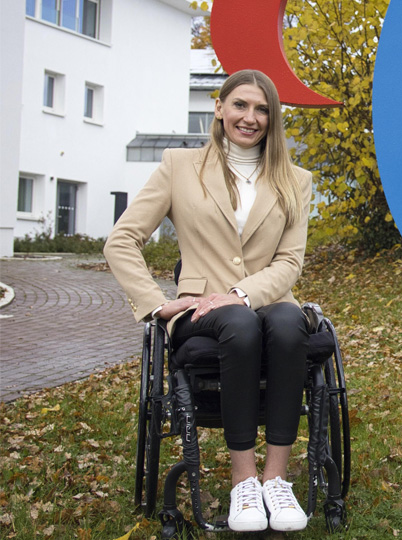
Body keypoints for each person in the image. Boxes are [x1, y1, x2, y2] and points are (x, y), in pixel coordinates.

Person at [104, 70, 313, 532]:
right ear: (219, 108)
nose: (250, 117)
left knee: (287, 323)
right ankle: (244, 483)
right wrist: (155, 302)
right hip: (201, 313)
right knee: (238, 325)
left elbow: (289, 262)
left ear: (272, 118)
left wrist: (239, 293)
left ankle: (276, 480)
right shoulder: (179, 166)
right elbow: (122, 240)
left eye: (262, 109)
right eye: (240, 105)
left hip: (270, 300)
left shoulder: (294, 180)